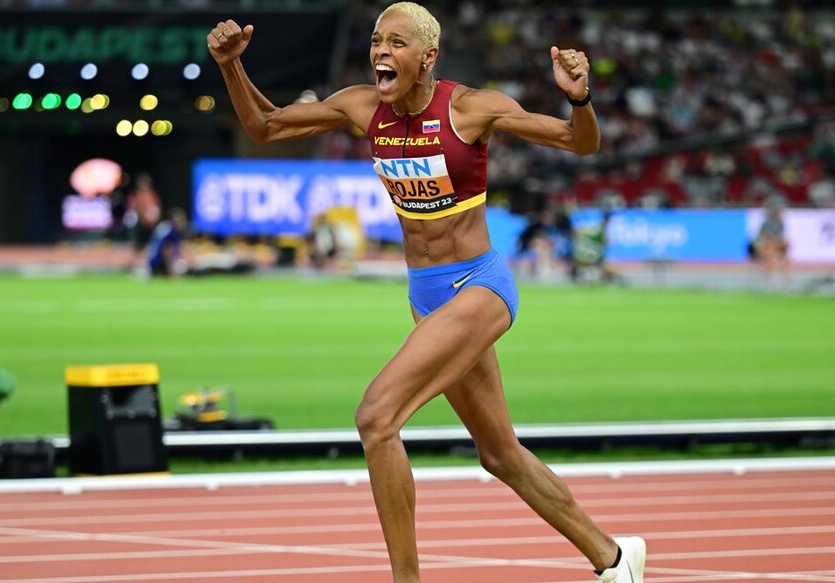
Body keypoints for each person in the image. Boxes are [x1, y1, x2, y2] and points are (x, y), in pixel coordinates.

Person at [208, 3, 646, 582]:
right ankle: (614, 559)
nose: (380, 52)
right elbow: (266, 126)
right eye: (376, 41)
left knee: (376, 417)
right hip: (427, 295)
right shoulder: (362, 106)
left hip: (480, 286)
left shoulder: (472, 108)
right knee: (500, 454)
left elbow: (578, 142)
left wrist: (580, 98)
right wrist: (230, 67)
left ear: (428, 55)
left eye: (396, 43)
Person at [753, 198, 791, 290]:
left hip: (775, 246)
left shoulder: (781, 224)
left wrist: (783, 245)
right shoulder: (766, 224)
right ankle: (770, 280)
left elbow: (781, 237)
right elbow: (763, 238)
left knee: (785, 255)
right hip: (766, 246)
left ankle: (784, 278)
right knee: (770, 253)